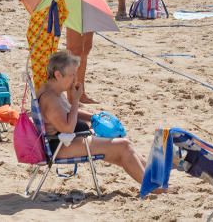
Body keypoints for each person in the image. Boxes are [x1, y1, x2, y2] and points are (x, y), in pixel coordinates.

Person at [37, 51, 147, 183]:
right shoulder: (51, 99)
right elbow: (67, 129)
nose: (75, 79)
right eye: (72, 75)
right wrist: (76, 100)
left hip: (68, 140)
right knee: (124, 145)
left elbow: (68, 112)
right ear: (58, 75)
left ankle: (154, 176)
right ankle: (154, 187)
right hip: (59, 146)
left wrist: (94, 117)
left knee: (121, 147)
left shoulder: (52, 90)